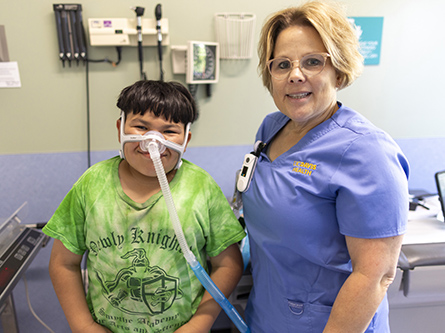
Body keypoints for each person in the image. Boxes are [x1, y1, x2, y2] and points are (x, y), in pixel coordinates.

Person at [240, 1, 409, 332]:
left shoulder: (366, 152)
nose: (295, 75)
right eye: (282, 64)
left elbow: (376, 275)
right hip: (267, 317)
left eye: (313, 62)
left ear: (338, 69)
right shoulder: (271, 128)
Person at [43, 80, 246, 333]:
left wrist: (199, 324)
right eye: (141, 127)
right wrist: (83, 325)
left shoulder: (201, 188)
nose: (154, 140)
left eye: (169, 131)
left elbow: (229, 265)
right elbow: (64, 263)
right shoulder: (91, 185)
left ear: (186, 139)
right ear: (120, 128)